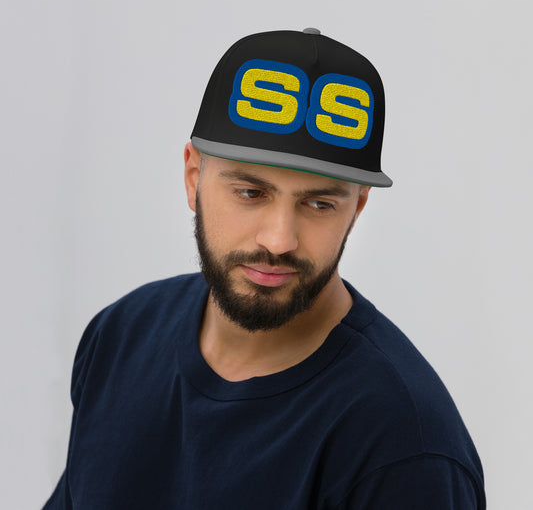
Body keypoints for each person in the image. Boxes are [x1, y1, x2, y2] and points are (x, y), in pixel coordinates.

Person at [43, 28, 485, 509]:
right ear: (193, 177)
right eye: (251, 193)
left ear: (356, 208)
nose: (279, 240)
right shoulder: (121, 336)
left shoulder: (404, 449)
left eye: (319, 204)